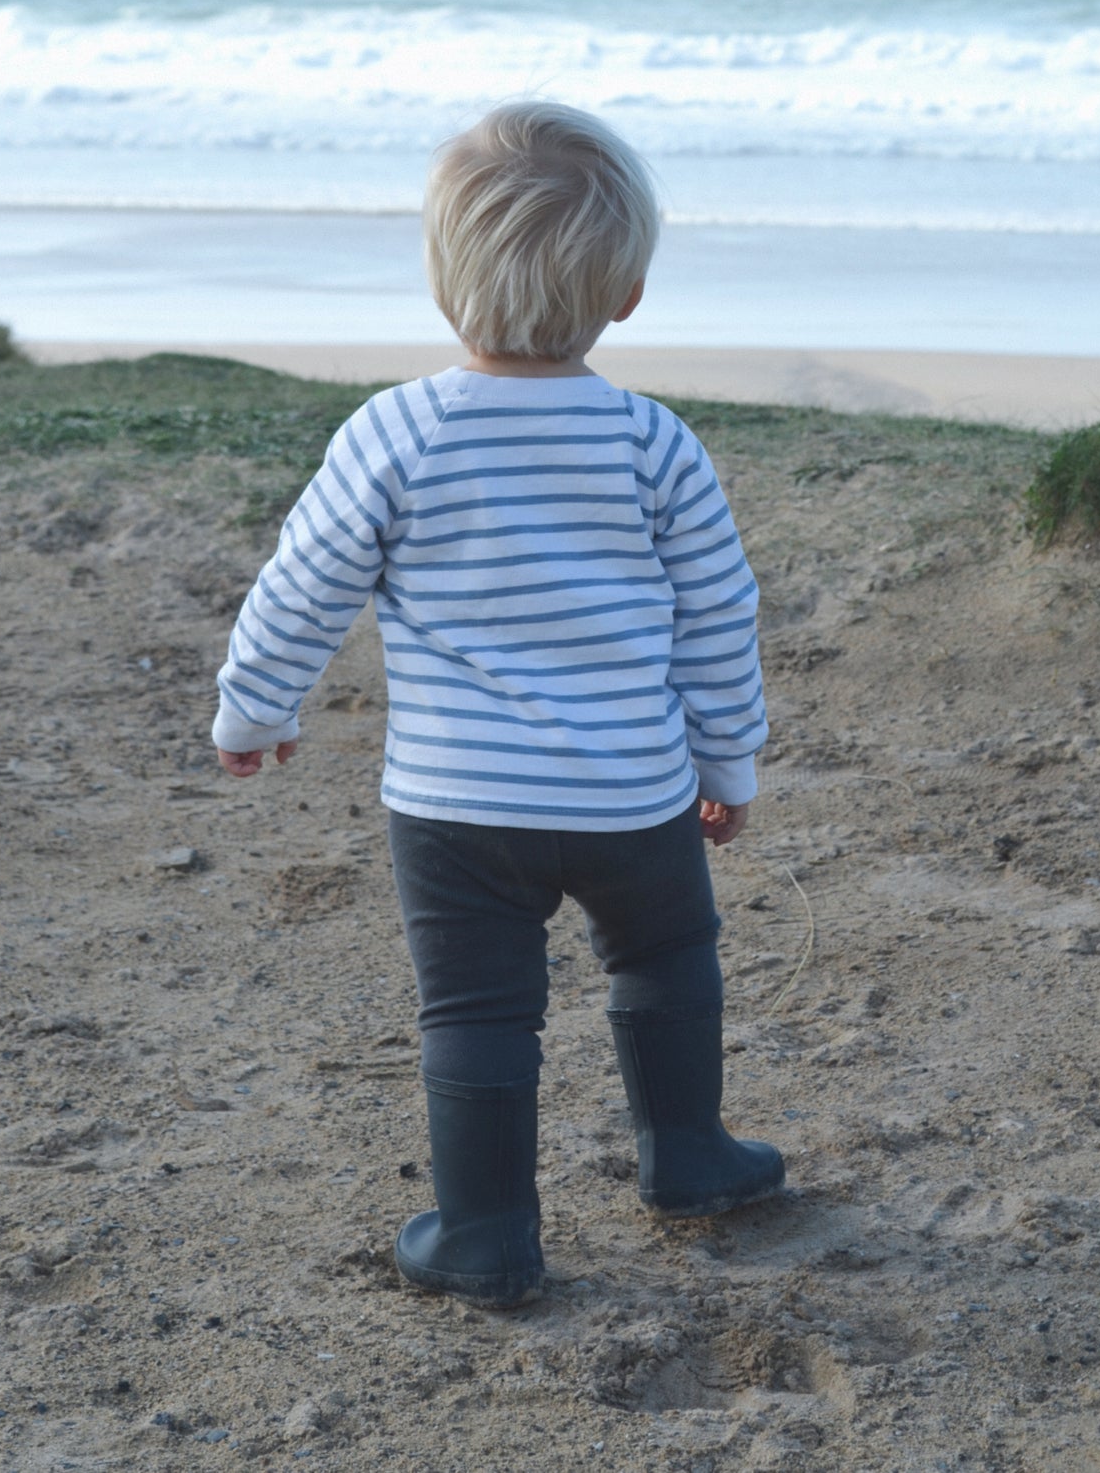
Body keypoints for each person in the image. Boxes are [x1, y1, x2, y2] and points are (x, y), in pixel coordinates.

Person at [212, 101, 783, 1308]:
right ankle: (685, 1158)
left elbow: (303, 584)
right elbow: (716, 618)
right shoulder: (650, 444)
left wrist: (251, 713)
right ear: (624, 294)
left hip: (456, 809)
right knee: (668, 958)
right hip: (632, 792)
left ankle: (484, 1235)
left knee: (474, 1011)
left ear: (441, 282)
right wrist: (725, 763)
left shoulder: (398, 433)